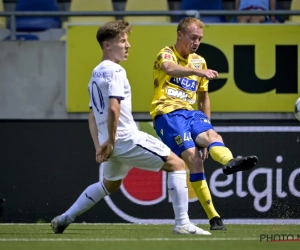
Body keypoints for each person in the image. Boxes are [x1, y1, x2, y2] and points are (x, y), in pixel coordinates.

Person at [50, 20, 211, 235]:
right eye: (122, 41)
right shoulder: (116, 71)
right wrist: (113, 141)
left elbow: (92, 114)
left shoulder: (96, 73)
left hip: (110, 141)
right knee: (178, 165)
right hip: (124, 138)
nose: (128, 46)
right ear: (107, 45)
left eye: (127, 41)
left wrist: (100, 145)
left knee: (110, 184)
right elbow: (114, 110)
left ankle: (64, 218)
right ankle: (182, 223)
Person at [150, 17, 258, 230]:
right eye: (193, 37)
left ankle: (229, 161)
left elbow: (203, 98)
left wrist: (206, 124)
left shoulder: (200, 60)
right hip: (167, 113)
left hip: (191, 114)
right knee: (193, 158)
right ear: (179, 34)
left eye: (199, 38)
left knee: (213, 137)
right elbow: (170, 69)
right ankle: (214, 217)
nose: (197, 42)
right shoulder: (166, 53)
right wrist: (197, 72)